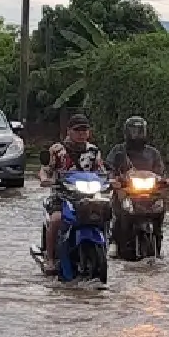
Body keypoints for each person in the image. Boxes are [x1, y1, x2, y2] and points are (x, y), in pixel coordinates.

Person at [39, 114, 104, 272]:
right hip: (62, 195)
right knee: (56, 219)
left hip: (88, 196)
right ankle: (50, 258)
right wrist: (45, 179)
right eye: (77, 130)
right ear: (69, 131)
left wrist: (112, 181)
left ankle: (105, 248)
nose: (81, 133)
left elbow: (101, 172)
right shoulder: (57, 150)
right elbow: (45, 170)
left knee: (104, 215)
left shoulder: (94, 151)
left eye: (84, 130)